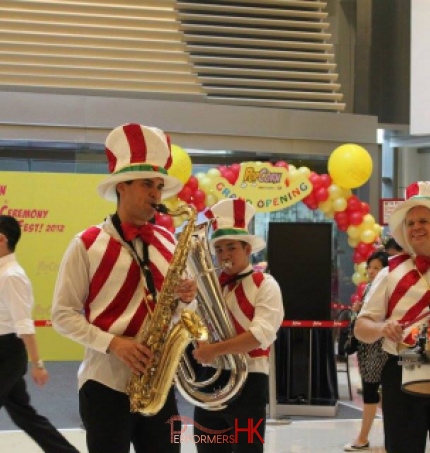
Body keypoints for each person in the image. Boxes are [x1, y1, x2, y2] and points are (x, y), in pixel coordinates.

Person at [51, 123, 198, 453]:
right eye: (147, 184)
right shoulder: (86, 244)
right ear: (121, 186)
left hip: (158, 385)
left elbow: (186, 309)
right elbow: (62, 315)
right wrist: (114, 343)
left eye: (159, 185)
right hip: (105, 384)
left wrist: (188, 299)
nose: (157, 194)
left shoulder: (167, 241)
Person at [192, 198, 284, 453]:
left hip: (249, 380)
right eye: (219, 249)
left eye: (231, 247)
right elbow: (196, 322)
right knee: (208, 447)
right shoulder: (211, 285)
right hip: (210, 377)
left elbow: (260, 335)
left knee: (246, 449)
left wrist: (214, 350)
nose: (224, 255)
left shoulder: (266, 285)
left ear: (247, 248)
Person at [355, 180, 430, 453]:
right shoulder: (389, 273)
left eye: (423, 220)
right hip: (401, 370)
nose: (416, 227)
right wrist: (382, 328)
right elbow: (361, 328)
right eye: (410, 223)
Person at [0, 215, 79, 453]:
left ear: (2, 239)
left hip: (7, 352)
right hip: (4, 350)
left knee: (25, 415)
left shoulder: (11, 276)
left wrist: (38, 364)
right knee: (25, 415)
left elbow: (24, 325)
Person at [344, 250, 389, 451]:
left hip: (380, 347)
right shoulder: (369, 288)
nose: (371, 271)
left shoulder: (386, 288)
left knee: (374, 391)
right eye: (369, 267)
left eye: (376, 268)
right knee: (373, 392)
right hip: (366, 347)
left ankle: (363, 438)